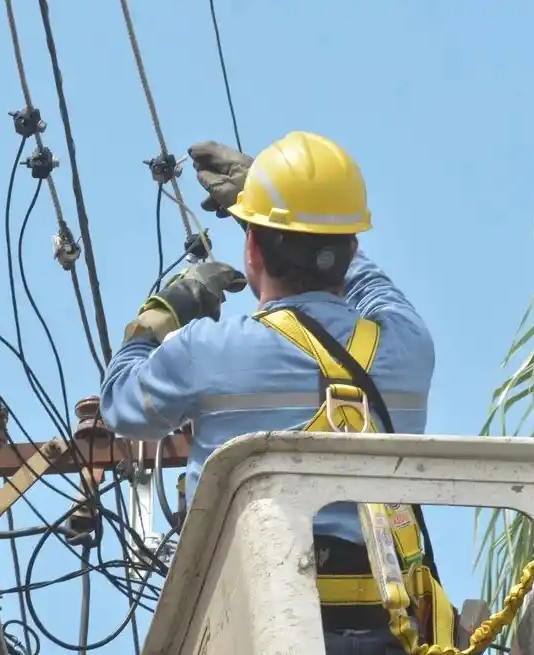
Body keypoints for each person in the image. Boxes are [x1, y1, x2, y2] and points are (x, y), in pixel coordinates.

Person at [99, 132, 444, 654]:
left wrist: (160, 315)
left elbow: (121, 405)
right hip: (390, 630)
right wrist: (287, 212)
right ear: (349, 247)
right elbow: (368, 283)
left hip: (253, 623)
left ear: (253, 249)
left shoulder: (207, 351)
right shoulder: (407, 347)